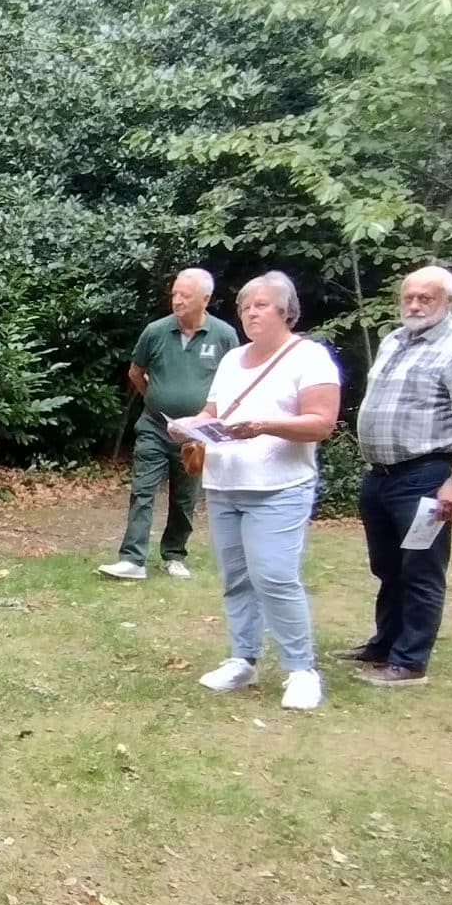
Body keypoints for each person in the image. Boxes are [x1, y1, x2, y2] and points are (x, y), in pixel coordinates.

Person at [168, 272, 340, 710]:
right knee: (236, 579)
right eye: (245, 307)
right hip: (224, 484)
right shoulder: (232, 360)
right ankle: (243, 659)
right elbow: (212, 412)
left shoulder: (310, 357)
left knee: (275, 577)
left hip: (279, 487)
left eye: (260, 305)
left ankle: (301, 669)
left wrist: (264, 426)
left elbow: (321, 423)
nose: (250, 313)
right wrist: (187, 426)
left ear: (286, 311)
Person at [339, 265, 452, 687]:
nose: (414, 305)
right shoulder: (395, 340)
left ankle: (409, 662)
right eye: (408, 297)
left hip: (426, 475)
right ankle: (385, 643)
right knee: (387, 566)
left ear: (449, 300)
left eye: (425, 298)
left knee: (420, 568)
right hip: (381, 475)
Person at [104, 268, 241, 581]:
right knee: (142, 490)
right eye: (175, 293)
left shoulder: (224, 336)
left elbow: (234, 383)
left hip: (195, 435)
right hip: (154, 426)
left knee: (185, 497)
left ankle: (174, 554)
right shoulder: (155, 331)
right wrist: (157, 399)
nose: (177, 300)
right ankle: (132, 559)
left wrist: (207, 419)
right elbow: (135, 372)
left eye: (185, 295)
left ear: (205, 299)